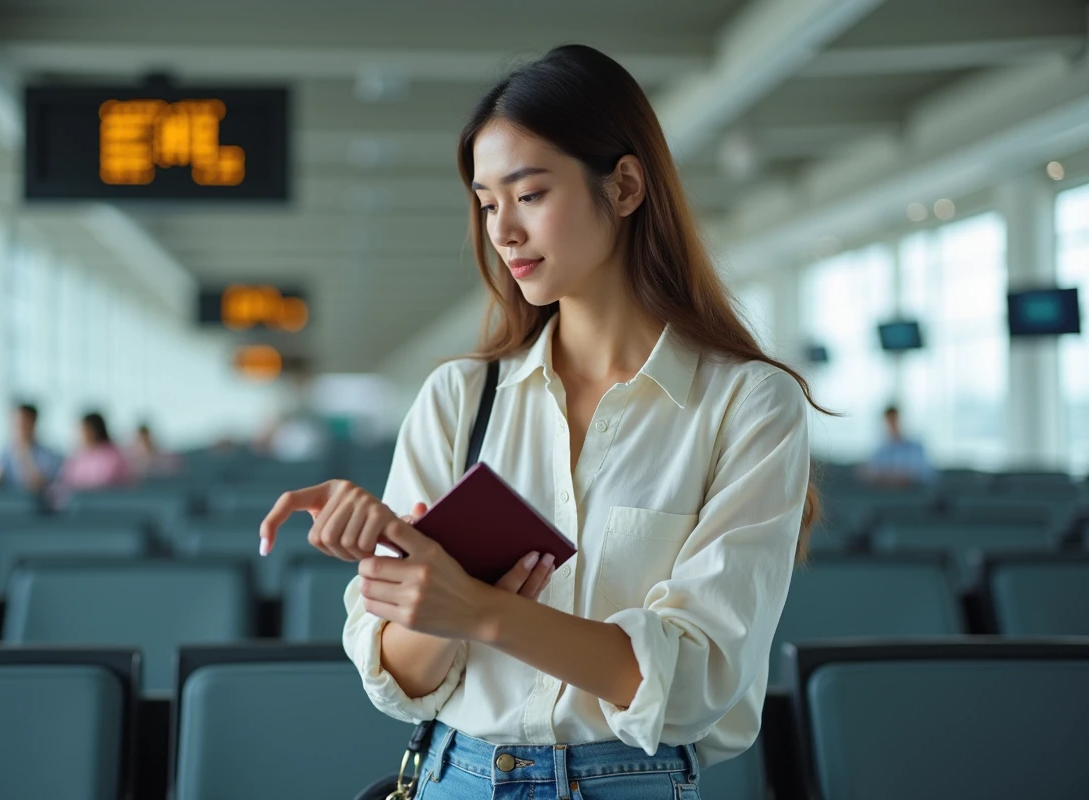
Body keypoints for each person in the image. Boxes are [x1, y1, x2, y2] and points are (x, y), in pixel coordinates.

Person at [259, 45, 827, 799]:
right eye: (488, 203)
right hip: (455, 776)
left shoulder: (747, 404)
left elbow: (697, 678)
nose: (503, 231)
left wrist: (483, 611)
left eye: (528, 195)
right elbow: (400, 677)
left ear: (624, 186)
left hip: (633, 783)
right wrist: (424, 587)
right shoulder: (459, 398)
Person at [0, 403, 62, 494]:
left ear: (33, 423)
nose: (18, 428)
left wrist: (23, 454)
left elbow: (37, 485)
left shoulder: (47, 455)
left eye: (23, 423)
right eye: (15, 423)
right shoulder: (3, 452)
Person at [51, 412, 133, 498]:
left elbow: (103, 483)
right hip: (81, 505)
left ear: (96, 430)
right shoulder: (79, 456)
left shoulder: (112, 455)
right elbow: (66, 480)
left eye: (86, 430)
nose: (82, 435)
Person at [859, 405, 936, 486]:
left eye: (894, 420)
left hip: (914, 494)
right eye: (889, 421)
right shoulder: (881, 451)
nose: (892, 425)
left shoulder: (915, 447)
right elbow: (870, 473)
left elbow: (925, 473)